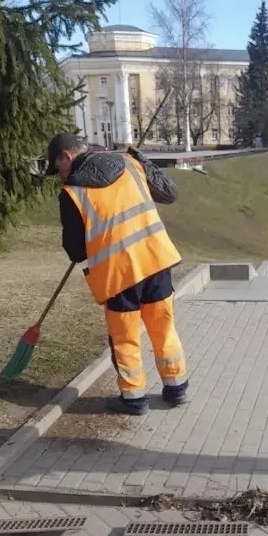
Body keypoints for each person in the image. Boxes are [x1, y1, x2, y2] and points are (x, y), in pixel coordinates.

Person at [46, 132, 188, 415]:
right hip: (156, 260)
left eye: (57, 166)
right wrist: (141, 158)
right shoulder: (130, 164)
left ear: (66, 156)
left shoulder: (72, 192)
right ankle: (177, 388)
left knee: (125, 338)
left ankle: (134, 399)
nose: (59, 174)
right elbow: (169, 193)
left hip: (118, 275)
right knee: (163, 329)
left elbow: (76, 252)